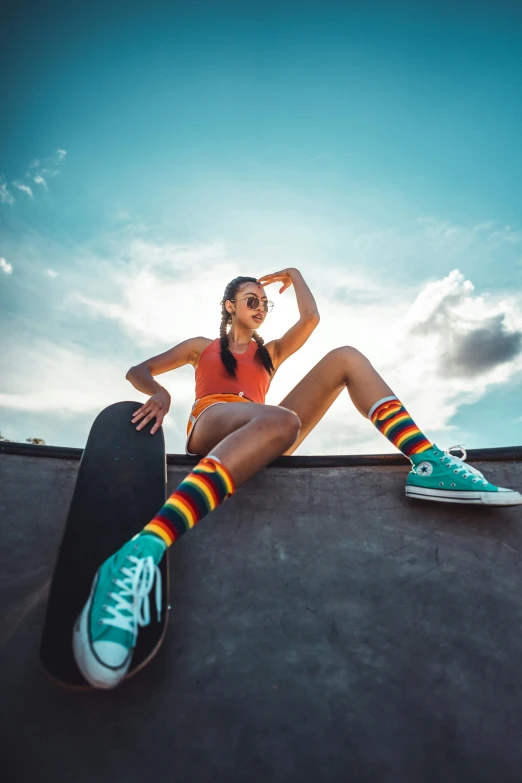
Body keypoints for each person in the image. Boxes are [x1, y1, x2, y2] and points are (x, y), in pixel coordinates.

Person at [73, 268, 521, 688]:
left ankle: (427, 462)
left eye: (265, 302)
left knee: (343, 359)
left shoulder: (270, 354)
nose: (261, 306)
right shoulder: (201, 346)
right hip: (210, 422)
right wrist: (160, 392)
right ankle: (138, 552)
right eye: (252, 299)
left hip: (266, 425)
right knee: (279, 420)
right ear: (229, 306)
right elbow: (139, 370)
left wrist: (293, 274)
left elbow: (312, 318)